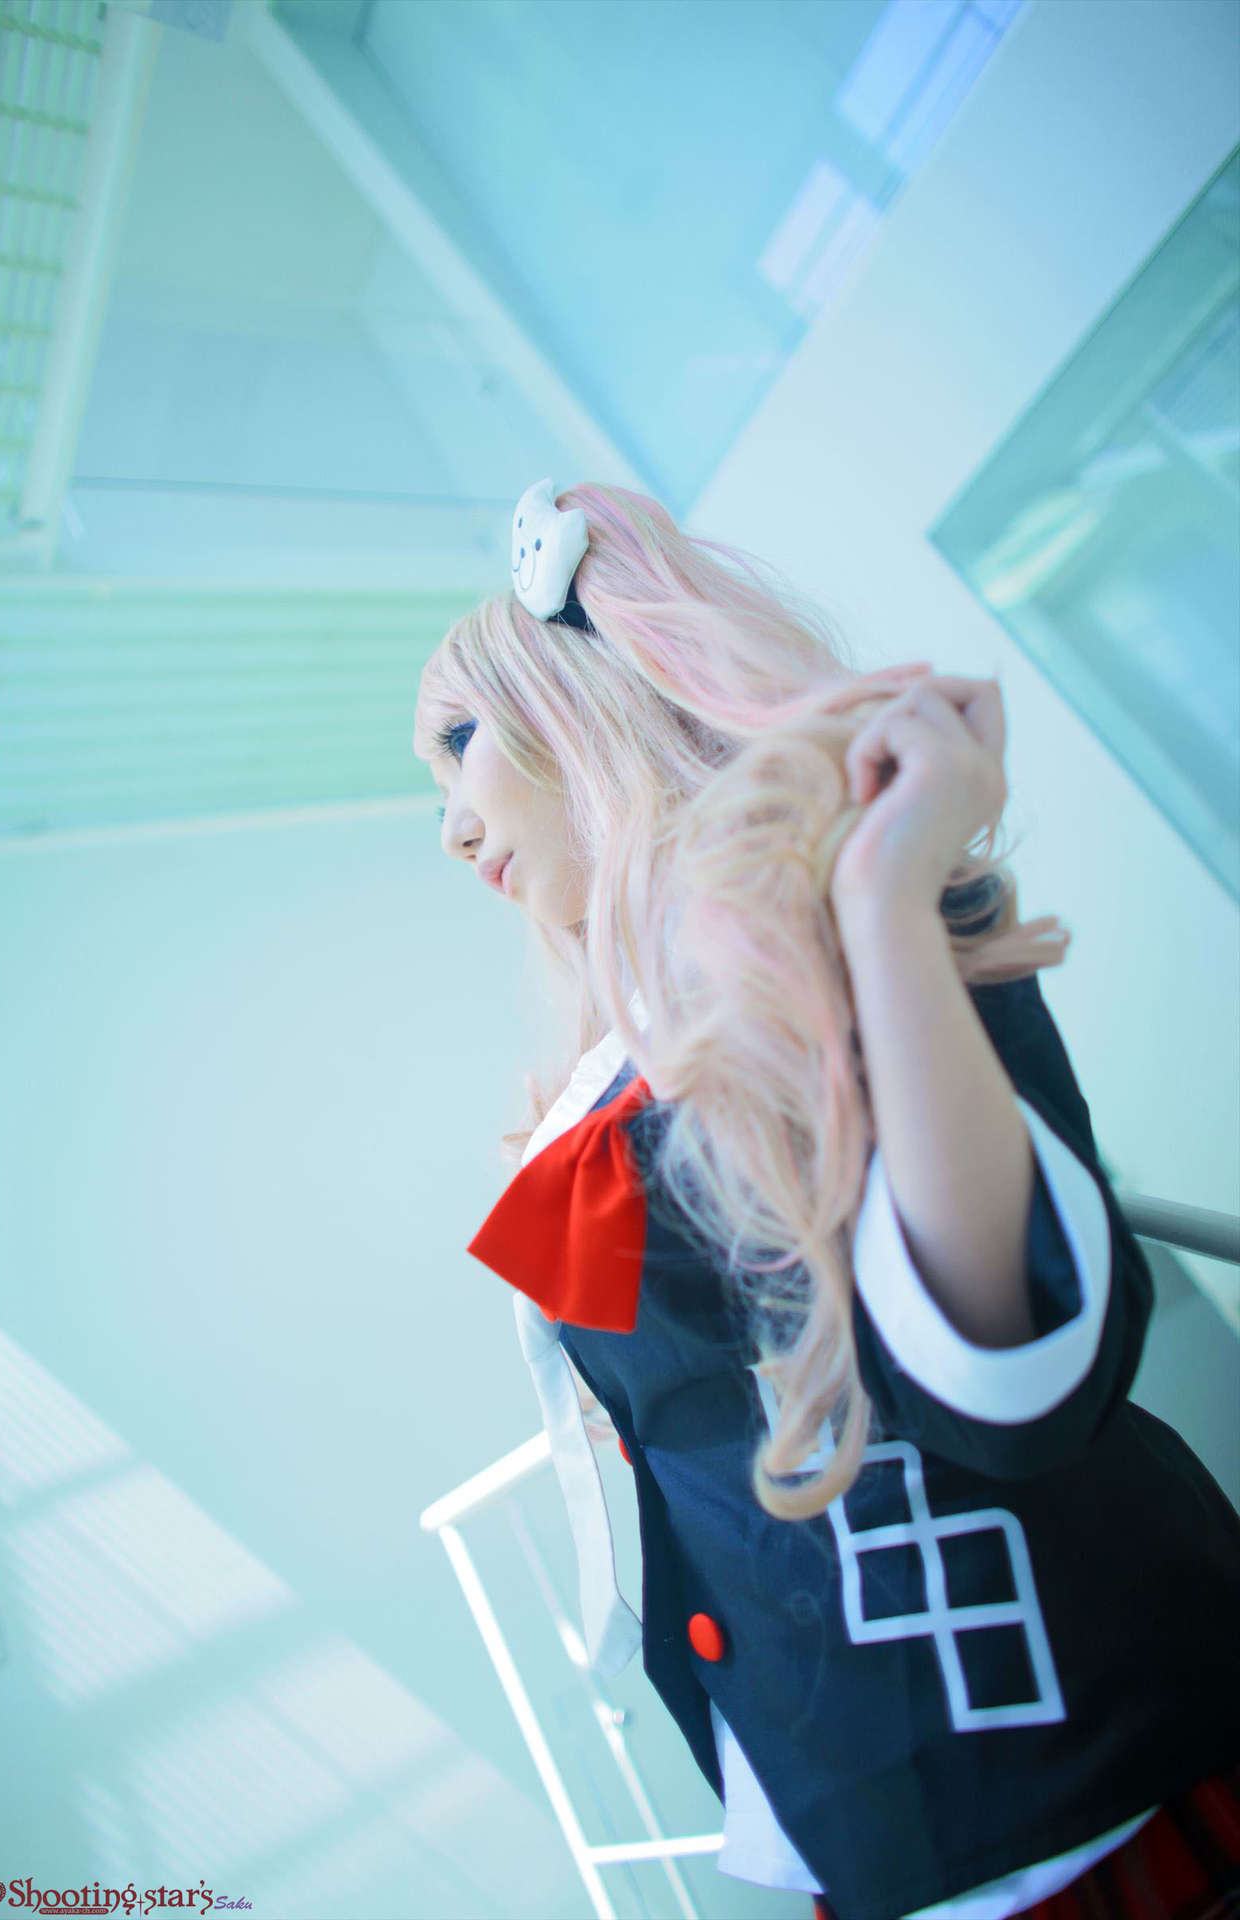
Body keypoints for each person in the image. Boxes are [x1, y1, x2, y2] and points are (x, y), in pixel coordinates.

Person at [414, 478, 1240, 1920]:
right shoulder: (618, 1074)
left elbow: (1012, 1382)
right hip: (862, 1817)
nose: (449, 830)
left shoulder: (851, 914)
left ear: (575, 699)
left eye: (458, 747)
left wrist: (882, 904)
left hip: (1078, 1767)